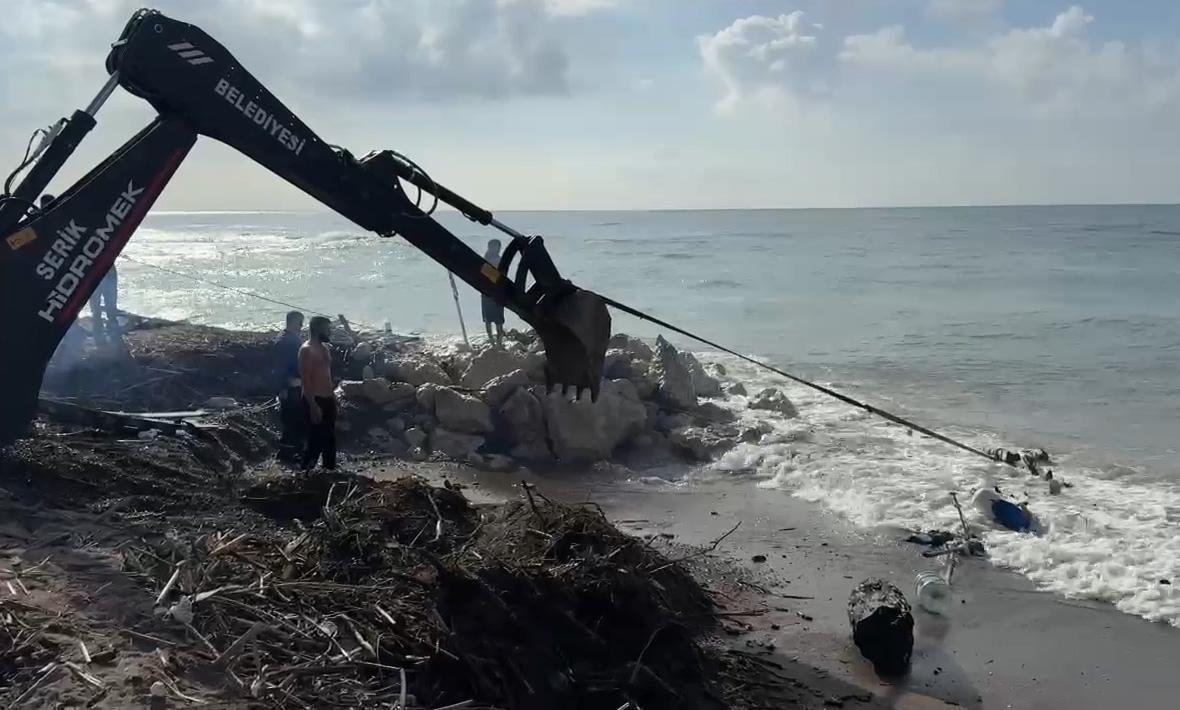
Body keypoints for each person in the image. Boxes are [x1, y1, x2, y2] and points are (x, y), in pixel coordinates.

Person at [299, 315, 337, 472]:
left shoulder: (324, 348)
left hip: (328, 398)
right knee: (315, 439)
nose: (330, 333)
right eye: (327, 329)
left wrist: (333, 397)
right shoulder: (306, 350)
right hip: (315, 399)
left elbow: (327, 375)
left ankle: (329, 470)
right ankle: (305, 472)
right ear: (318, 330)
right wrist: (313, 405)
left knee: (330, 439)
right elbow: (306, 380)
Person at [273, 311, 305, 463]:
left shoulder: (291, 339)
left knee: (296, 420)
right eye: (300, 323)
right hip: (291, 387)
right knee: (292, 421)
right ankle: (288, 455)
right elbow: (278, 367)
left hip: (297, 385)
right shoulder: (285, 341)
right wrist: (285, 385)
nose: (301, 326)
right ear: (293, 322)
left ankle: (295, 453)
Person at [481, 239, 506, 348]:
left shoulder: (499, 260)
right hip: (487, 291)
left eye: (497, 247)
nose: (496, 249)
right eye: (494, 247)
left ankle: (499, 342)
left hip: (497, 291)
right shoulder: (485, 259)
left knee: (498, 319)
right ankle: (491, 341)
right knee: (488, 318)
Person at [90, 263, 120, 343]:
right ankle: (110, 333)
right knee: (102, 307)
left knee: (100, 307)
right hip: (102, 272)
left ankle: (102, 333)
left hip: (102, 272)